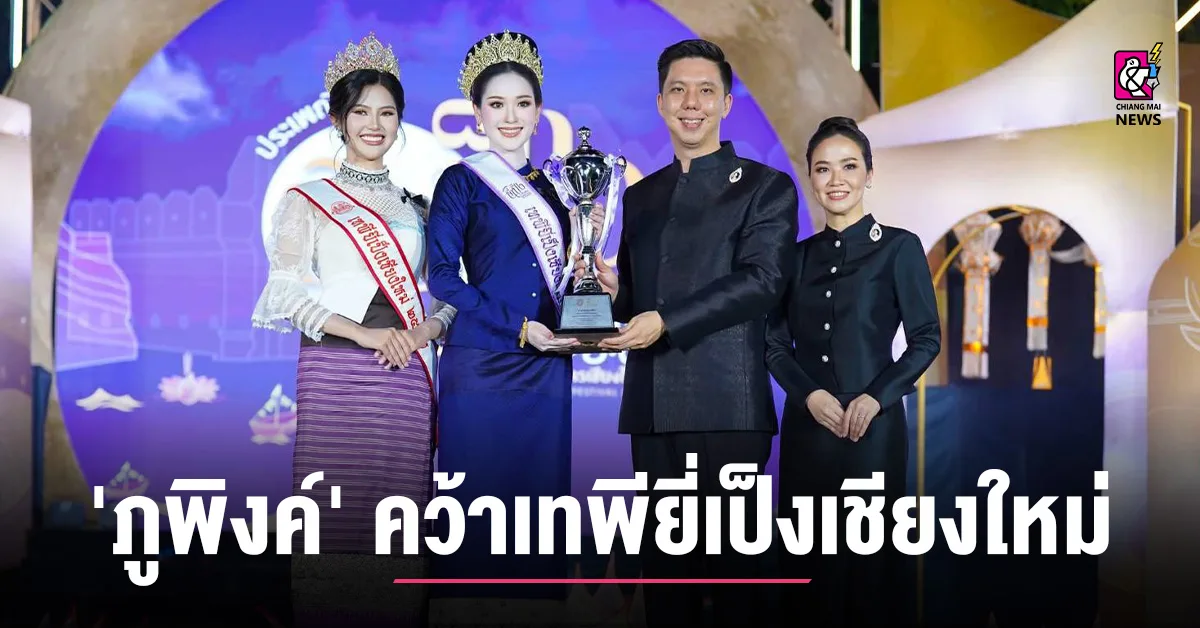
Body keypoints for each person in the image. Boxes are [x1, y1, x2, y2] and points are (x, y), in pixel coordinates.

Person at [581, 38, 798, 627]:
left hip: (728, 405)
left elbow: (763, 281)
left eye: (706, 90)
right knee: (666, 584)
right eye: (678, 90)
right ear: (660, 102)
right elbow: (639, 296)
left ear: (726, 103)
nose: (691, 102)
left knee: (735, 584)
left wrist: (666, 321)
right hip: (653, 406)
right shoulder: (640, 196)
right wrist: (613, 293)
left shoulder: (766, 186)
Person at [250, 33, 455, 628]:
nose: (374, 124)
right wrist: (364, 336)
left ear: (399, 122)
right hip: (337, 373)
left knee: (397, 515)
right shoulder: (309, 199)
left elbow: (449, 293)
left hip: (403, 376)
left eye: (386, 113)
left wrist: (425, 330)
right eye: (361, 112)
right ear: (339, 119)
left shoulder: (420, 209)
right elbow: (284, 293)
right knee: (332, 507)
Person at [425, 30, 582, 626]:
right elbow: (443, 278)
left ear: (540, 112)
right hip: (481, 362)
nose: (510, 117)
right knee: (473, 504)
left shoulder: (563, 189)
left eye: (522, 104)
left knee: (539, 507)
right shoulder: (461, 181)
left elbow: (570, 276)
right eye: (496, 104)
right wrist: (519, 328)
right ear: (477, 114)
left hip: (547, 365)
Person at [766, 116, 942, 626]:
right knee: (807, 566)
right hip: (808, 429)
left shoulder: (899, 247)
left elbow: (926, 337)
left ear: (869, 173)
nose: (836, 179)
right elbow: (774, 344)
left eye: (848, 166)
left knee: (872, 570)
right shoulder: (794, 258)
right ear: (810, 178)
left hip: (874, 431)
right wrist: (809, 396)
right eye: (823, 169)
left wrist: (877, 397)